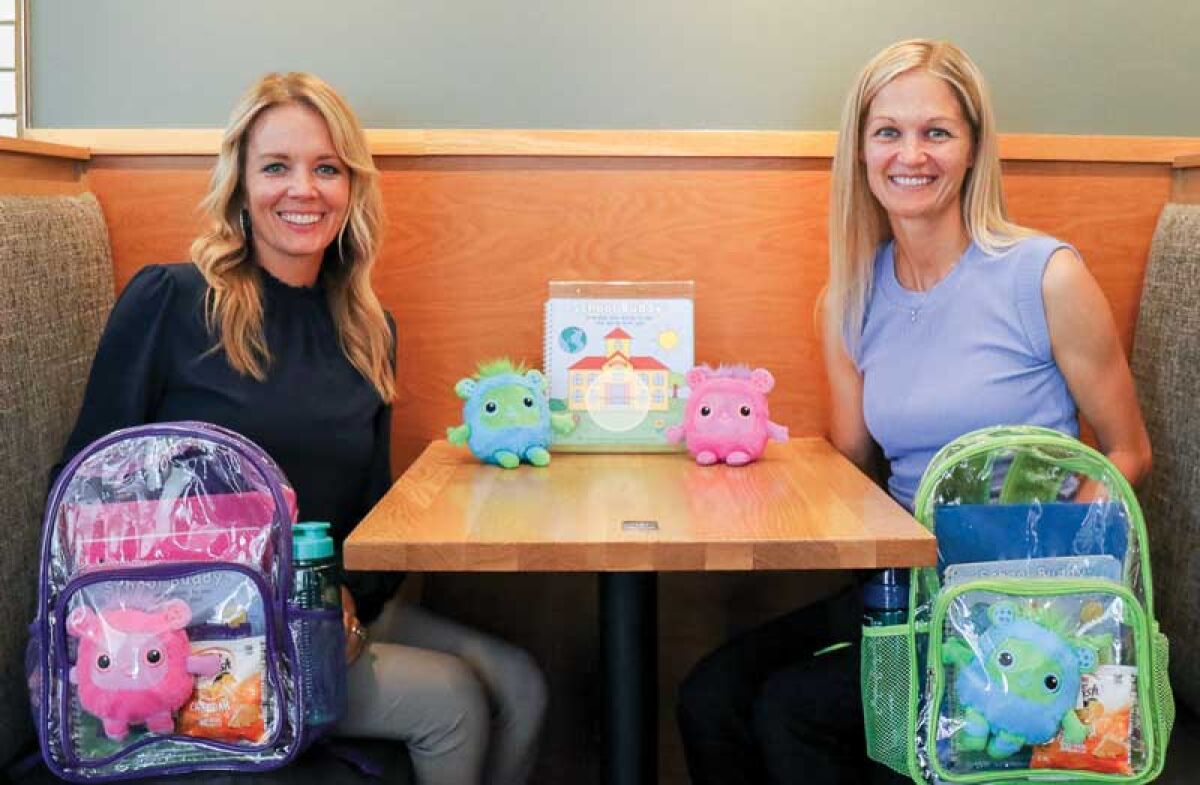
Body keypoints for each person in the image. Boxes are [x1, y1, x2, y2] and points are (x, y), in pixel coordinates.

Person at [676, 39, 1151, 785]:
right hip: (905, 587)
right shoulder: (848, 301)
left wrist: (1051, 594)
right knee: (711, 694)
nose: (912, 154)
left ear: (971, 149)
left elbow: (1127, 453)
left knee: (790, 710)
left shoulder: (1045, 275)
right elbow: (852, 466)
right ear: (860, 152)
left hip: (1015, 611)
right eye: (888, 132)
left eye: (937, 132)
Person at [55, 72, 547, 785]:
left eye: (326, 169)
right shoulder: (170, 302)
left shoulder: (367, 333)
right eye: (277, 167)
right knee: (453, 700)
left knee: (521, 681)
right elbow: (81, 488)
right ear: (240, 184)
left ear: (352, 189)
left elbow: (367, 521)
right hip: (191, 638)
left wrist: (346, 606)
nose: (303, 190)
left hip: (315, 611)